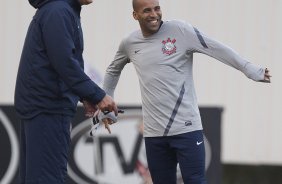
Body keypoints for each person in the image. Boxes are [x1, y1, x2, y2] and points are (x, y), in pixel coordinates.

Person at [101, 0, 272, 183]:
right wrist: (107, 103)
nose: (154, 14)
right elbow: (113, 70)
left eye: (157, 8)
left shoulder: (180, 31)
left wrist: (250, 69)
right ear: (135, 15)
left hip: (187, 129)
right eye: (147, 10)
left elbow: (217, 48)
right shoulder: (129, 43)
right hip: (154, 134)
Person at [14, 0, 118, 183]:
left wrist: (85, 96)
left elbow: (64, 62)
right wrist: (97, 95)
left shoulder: (61, 9)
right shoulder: (59, 10)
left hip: (43, 107)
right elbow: (65, 62)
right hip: (48, 108)